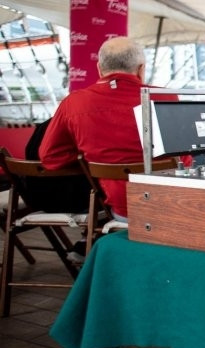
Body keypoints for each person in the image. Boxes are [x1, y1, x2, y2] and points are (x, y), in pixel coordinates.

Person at [39, 36, 174, 221]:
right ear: (141, 69)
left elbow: (50, 157)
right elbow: (184, 157)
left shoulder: (73, 103)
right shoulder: (166, 97)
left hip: (122, 211)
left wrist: (90, 158)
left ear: (99, 69)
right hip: (173, 204)